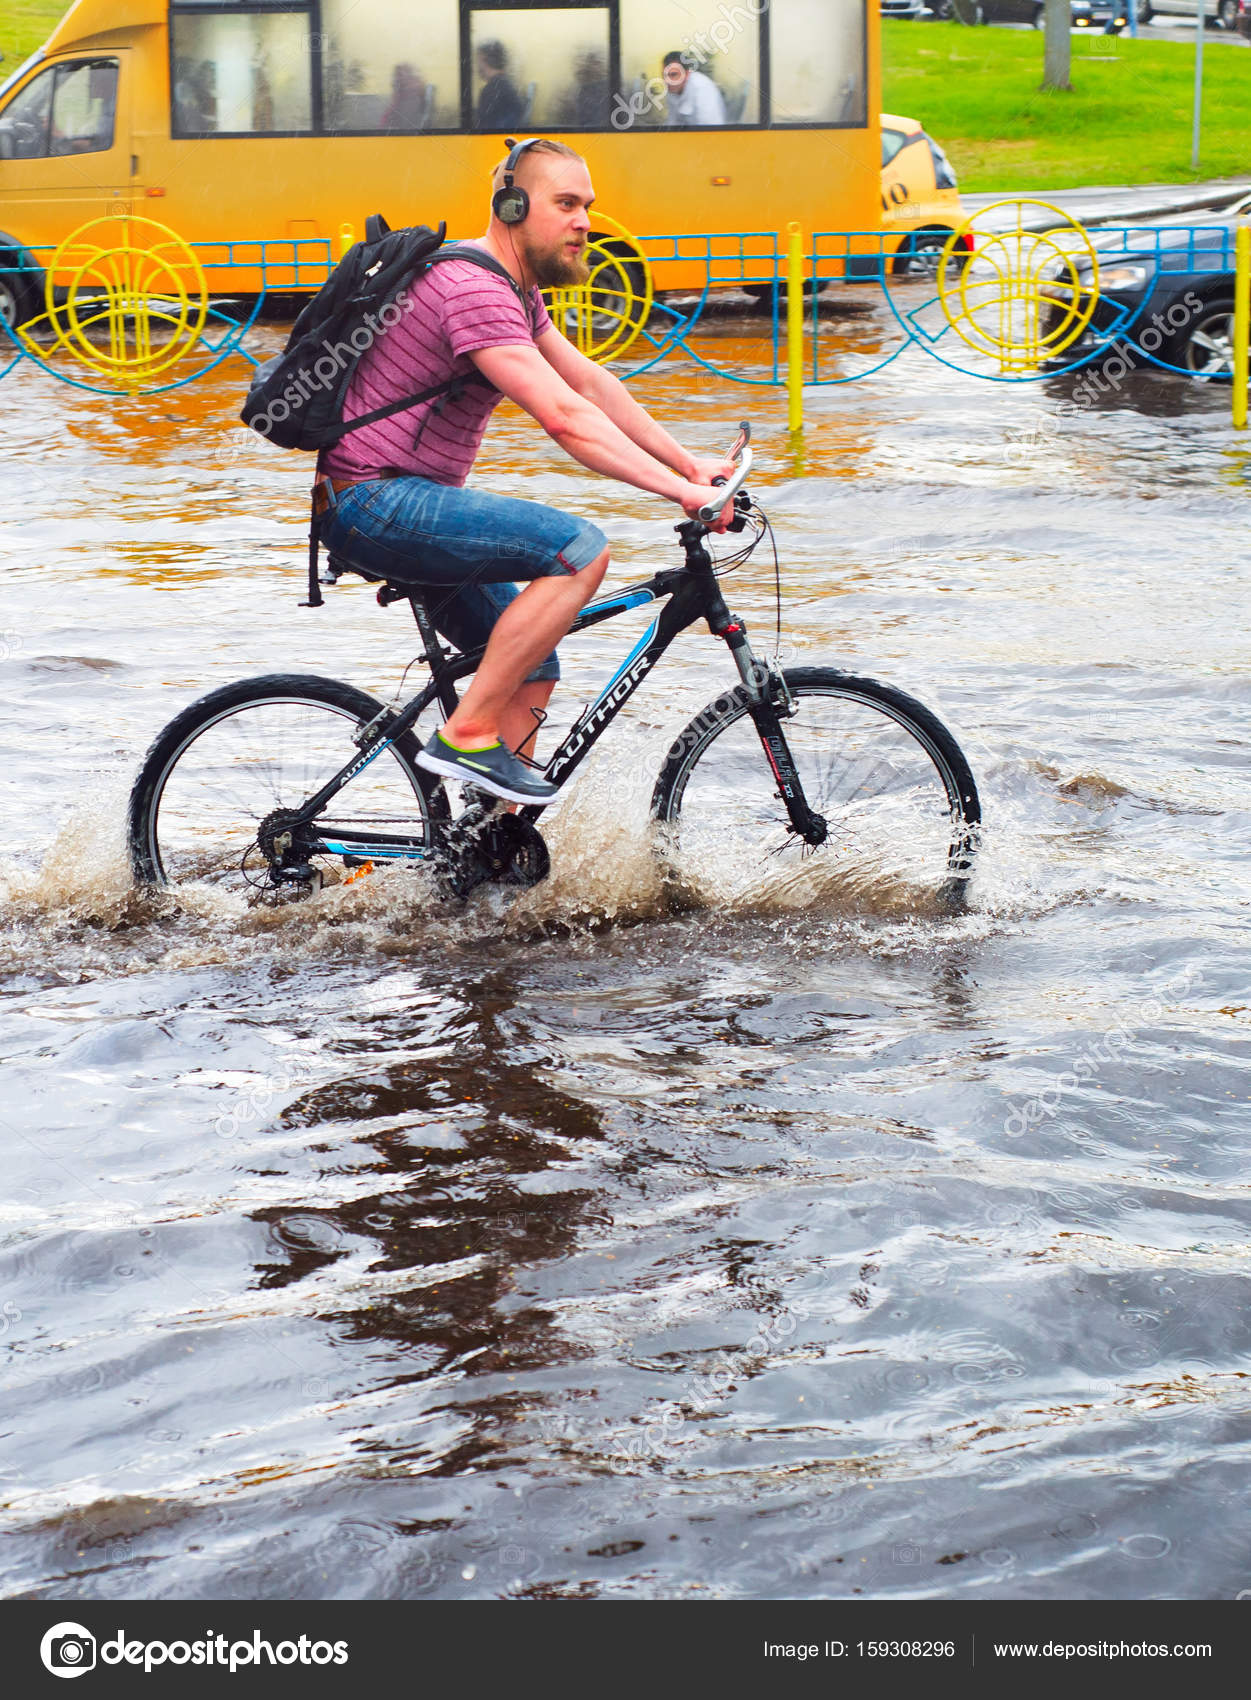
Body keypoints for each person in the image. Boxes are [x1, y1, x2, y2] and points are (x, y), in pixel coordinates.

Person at [312, 138, 734, 806]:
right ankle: (467, 730)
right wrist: (679, 493)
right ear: (511, 206)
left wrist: (688, 463)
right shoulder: (471, 288)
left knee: (533, 664)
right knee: (578, 551)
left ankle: (488, 847)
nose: (585, 221)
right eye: (565, 203)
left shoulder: (511, 289)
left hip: (397, 499)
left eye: (587, 206)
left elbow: (591, 385)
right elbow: (563, 418)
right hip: (374, 500)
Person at [661, 51, 725, 127]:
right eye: (664, 75)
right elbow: (673, 124)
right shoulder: (672, 90)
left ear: (687, 74)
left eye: (673, 74)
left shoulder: (702, 89)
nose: (667, 81)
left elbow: (711, 130)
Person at [474, 41, 526, 133]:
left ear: (484, 59)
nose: (476, 65)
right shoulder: (506, 85)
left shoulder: (493, 89)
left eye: (478, 61)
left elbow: (484, 127)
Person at [381, 63, 428, 131]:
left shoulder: (412, 100)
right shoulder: (399, 99)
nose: (394, 82)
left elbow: (406, 127)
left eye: (399, 77)